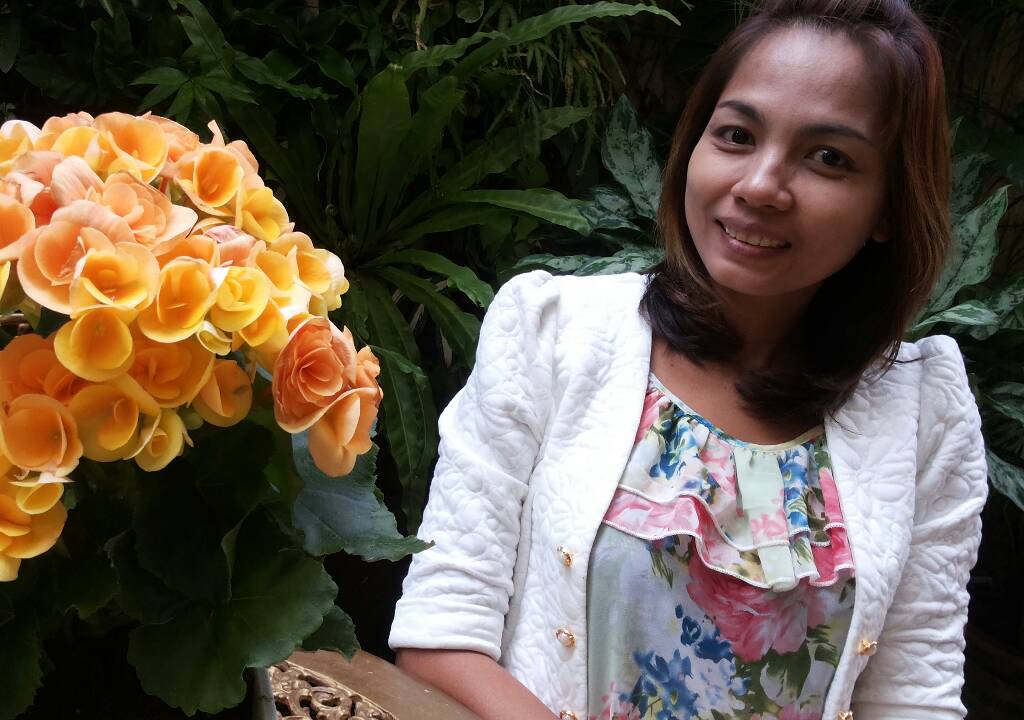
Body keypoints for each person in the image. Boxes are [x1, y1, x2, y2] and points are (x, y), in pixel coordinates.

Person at [388, 1, 989, 719]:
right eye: (736, 135)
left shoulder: (921, 413)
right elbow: (440, 635)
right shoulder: (554, 333)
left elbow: (914, 699)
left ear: (889, 205)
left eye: (829, 157)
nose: (760, 185)